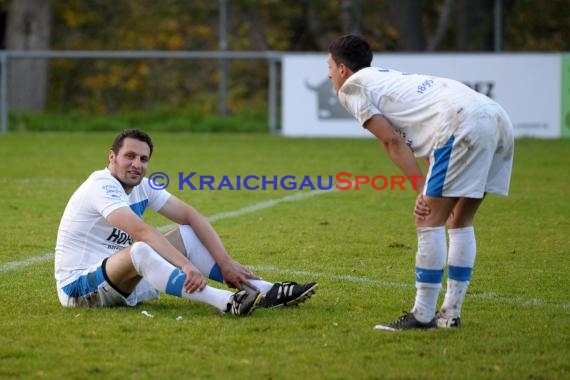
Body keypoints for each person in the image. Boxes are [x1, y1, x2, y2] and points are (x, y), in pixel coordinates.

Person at [327, 35, 514, 330]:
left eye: (329, 66)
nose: (328, 74)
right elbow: (428, 138)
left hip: (461, 121)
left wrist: (420, 189)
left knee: (428, 221)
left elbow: (391, 140)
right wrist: (427, 184)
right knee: (459, 220)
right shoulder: (387, 79)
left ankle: (423, 315)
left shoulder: (352, 87)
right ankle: (450, 314)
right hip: (495, 116)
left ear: (342, 70)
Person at [55, 129, 318, 315]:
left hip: (119, 281)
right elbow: (141, 231)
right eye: (130, 156)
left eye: (143, 159)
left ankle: (266, 291)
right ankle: (228, 302)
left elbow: (192, 216)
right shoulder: (101, 185)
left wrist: (225, 263)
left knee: (187, 234)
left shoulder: (143, 186)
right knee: (141, 249)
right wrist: (186, 266)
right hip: (79, 290)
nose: (137, 164)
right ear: (112, 157)